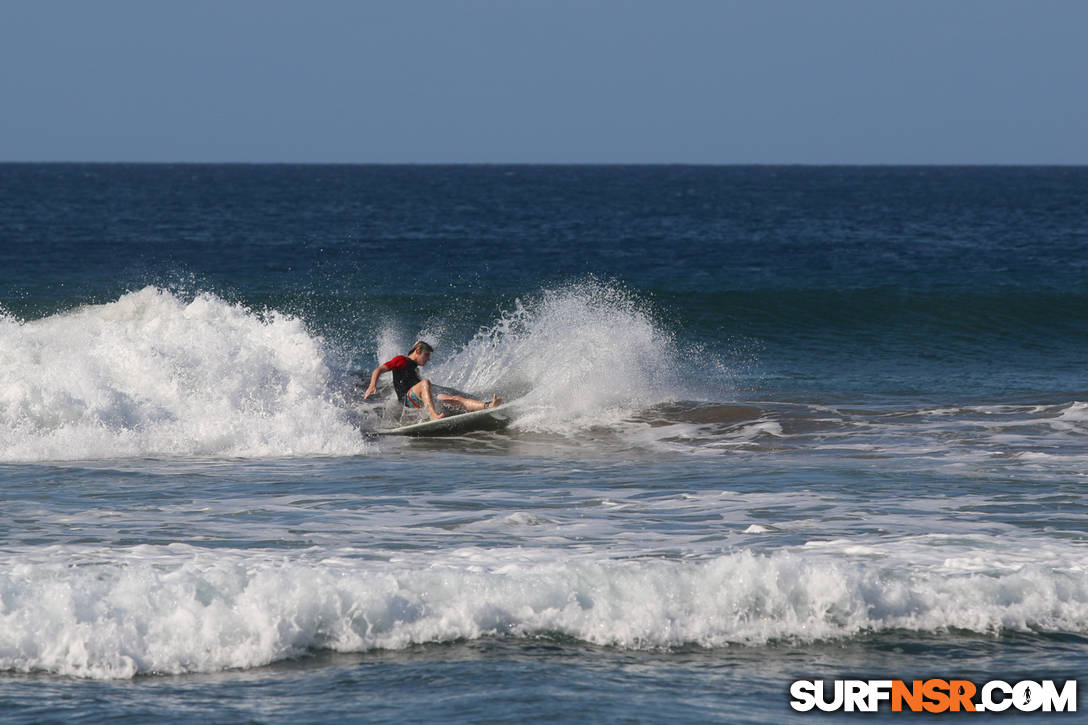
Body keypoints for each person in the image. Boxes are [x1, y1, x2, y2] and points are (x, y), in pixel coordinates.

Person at [363, 341, 501, 421]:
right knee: (425, 383)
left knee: (455, 398)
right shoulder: (401, 360)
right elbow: (378, 369)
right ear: (417, 351)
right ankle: (433, 415)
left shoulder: (414, 368)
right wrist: (372, 385)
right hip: (407, 399)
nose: (428, 359)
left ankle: (488, 405)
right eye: (426, 355)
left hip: (418, 398)